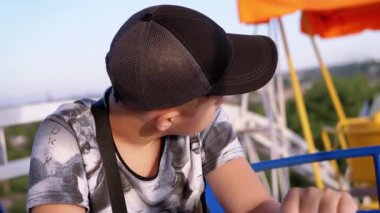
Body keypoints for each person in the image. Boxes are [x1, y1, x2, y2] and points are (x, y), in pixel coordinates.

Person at [27, 4, 357, 213]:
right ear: (167, 119)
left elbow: (253, 205)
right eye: (216, 98)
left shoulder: (203, 123)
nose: (223, 103)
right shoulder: (66, 139)